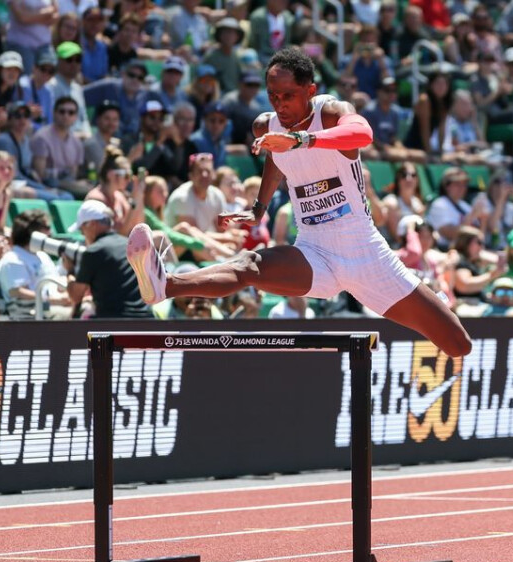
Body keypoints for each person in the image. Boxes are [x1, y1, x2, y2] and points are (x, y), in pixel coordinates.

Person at [125, 48, 471, 356]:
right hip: (313, 252)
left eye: (288, 96)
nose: (280, 105)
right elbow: (277, 159)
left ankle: (434, 302)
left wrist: (301, 140)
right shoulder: (267, 127)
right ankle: (165, 285)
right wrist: (259, 207)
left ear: (310, 91)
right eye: (273, 96)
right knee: (249, 266)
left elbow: (363, 133)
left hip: (366, 255)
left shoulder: (332, 114)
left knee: (457, 345)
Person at [65, 199, 152, 319]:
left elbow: (76, 296)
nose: (83, 235)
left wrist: (70, 270)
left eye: (82, 230)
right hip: (147, 320)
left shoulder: (93, 251)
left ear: (92, 224)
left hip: (114, 323)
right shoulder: (131, 244)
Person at [0, 207, 71, 319]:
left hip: (52, 307)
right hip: (33, 313)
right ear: (33, 232)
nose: (50, 233)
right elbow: (17, 293)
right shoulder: (12, 259)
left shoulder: (43, 255)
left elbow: (54, 286)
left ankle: (102, 337)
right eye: (46, 228)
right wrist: (55, 300)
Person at [30, 95, 86, 197]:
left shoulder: (77, 142)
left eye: (71, 112)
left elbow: (73, 174)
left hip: (68, 186)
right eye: (62, 111)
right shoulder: (42, 137)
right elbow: (40, 175)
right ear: (54, 113)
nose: (66, 115)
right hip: (48, 186)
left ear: (76, 117)